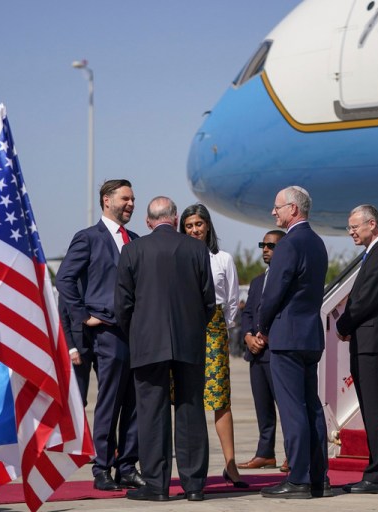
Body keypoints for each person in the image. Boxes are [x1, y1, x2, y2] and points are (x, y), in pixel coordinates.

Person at [116, 197, 216, 502]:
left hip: (147, 343)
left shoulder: (132, 250)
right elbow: (209, 301)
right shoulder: (197, 249)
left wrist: (135, 333)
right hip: (189, 341)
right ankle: (195, 485)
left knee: (152, 413)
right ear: (174, 220)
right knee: (191, 410)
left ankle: (157, 485)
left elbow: (122, 305)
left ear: (148, 222)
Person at [55, 179, 143, 491]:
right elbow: (64, 279)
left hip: (134, 332)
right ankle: (102, 468)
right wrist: (83, 316)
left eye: (133, 199)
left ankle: (128, 466)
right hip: (105, 331)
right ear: (107, 201)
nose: (131, 204)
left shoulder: (134, 240)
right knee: (110, 400)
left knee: (133, 401)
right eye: (125, 199)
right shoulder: (89, 238)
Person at [257, 186, 331, 499]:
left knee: (292, 409)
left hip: (286, 336)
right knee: (312, 407)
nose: (274, 213)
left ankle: (298, 478)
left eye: (277, 208)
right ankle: (318, 478)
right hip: (310, 335)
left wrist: (262, 323)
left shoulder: (289, 244)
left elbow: (274, 291)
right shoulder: (318, 243)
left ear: (293, 209)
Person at [179, 204, 247, 488]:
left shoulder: (223, 259)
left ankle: (230, 465)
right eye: (189, 225)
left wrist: (222, 326)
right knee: (184, 398)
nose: (195, 229)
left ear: (208, 226)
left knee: (219, 398)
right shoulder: (177, 258)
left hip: (214, 328)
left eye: (199, 224)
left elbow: (232, 301)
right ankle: (190, 466)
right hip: (183, 327)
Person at [335, 205, 378, 494]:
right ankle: (375, 471)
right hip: (367, 341)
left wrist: (343, 324)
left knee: (374, 411)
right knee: (370, 410)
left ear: (372, 224)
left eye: (355, 227)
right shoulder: (374, 253)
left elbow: (366, 300)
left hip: (374, 343)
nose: (351, 232)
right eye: (350, 227)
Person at [238, 230, 286, 471]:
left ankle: (292, 454)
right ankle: (265, 453)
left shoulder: (286, 280)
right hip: (256, 355)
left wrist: (266, 337)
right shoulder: (257, 281)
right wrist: (247, 337)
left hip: (276, 352)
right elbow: (247, 313)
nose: (265, 249)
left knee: (286, 406)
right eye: (262, 245)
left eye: (271, 245)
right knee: (263, 407)